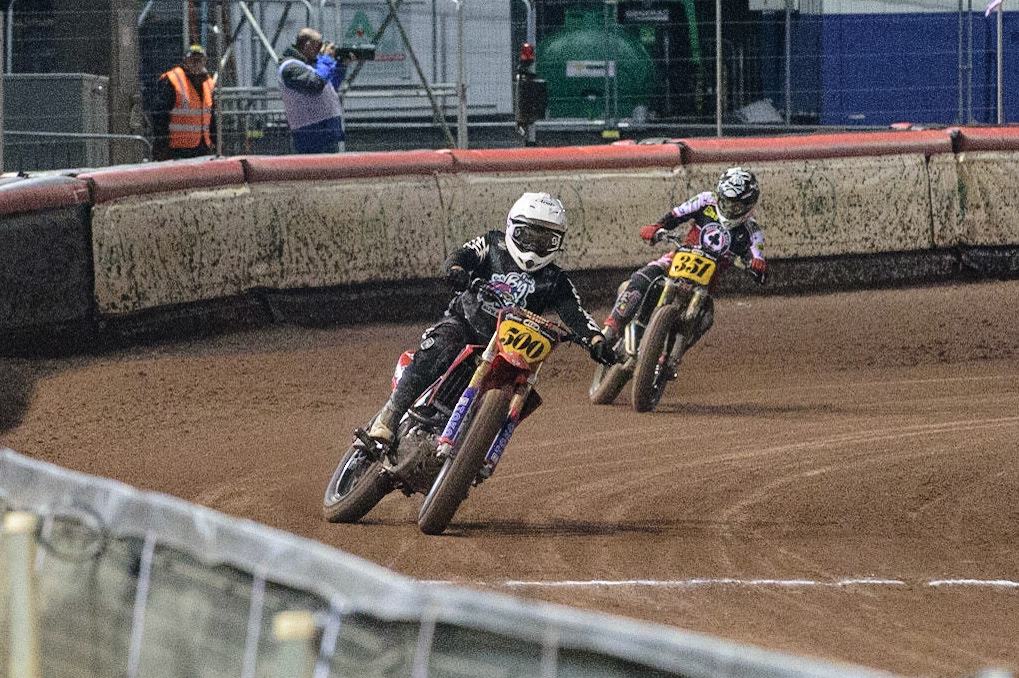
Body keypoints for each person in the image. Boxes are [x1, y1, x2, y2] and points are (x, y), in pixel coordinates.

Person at [367, 192, 617, 444]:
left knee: (522, 388)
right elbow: (462, 256)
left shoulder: (556, 279)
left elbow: (575, 312)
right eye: (527, 236)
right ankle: (389, 416)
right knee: (441, 345)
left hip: (508, 348)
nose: (533, 247)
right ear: (512, 228)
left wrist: (596, 340)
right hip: (465, 324)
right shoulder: (492, 244)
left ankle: (475, 445)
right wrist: (456, 270)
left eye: (544, 241)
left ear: (557, 242)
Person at [600, 167, 768, 351]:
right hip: (678, 259)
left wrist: (757, 266)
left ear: (748, 207)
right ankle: (610, 330)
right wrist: (657, 227)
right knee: (645, 276)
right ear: (719, 195)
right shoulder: (705, 201)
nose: (729, 209)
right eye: (726, 202)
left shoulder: (752, 232)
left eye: (735, 207)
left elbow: (759, 263)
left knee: (705, 319)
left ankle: (671, 357)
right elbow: (676, 215)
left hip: (705, 284)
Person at [278, 27, 353, 154]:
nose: (321, 49)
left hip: (326, 131)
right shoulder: (291, 67)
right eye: (318, 45)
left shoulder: (310, 65)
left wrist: (341, 65)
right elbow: (316, 85)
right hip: (310, 134)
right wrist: (326, 58)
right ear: (308, 45)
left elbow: (329, 87)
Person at [151, 44, 216, 161]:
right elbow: (160, 116)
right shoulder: (173, 80)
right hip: (177, 149)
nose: (196, 63)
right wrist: (162, 145)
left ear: (205, 61)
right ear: (185, 61)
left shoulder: (208, 83)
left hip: (203, 148)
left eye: (199, 60)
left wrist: (214, 142)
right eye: (192, 59)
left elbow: (212, 117)